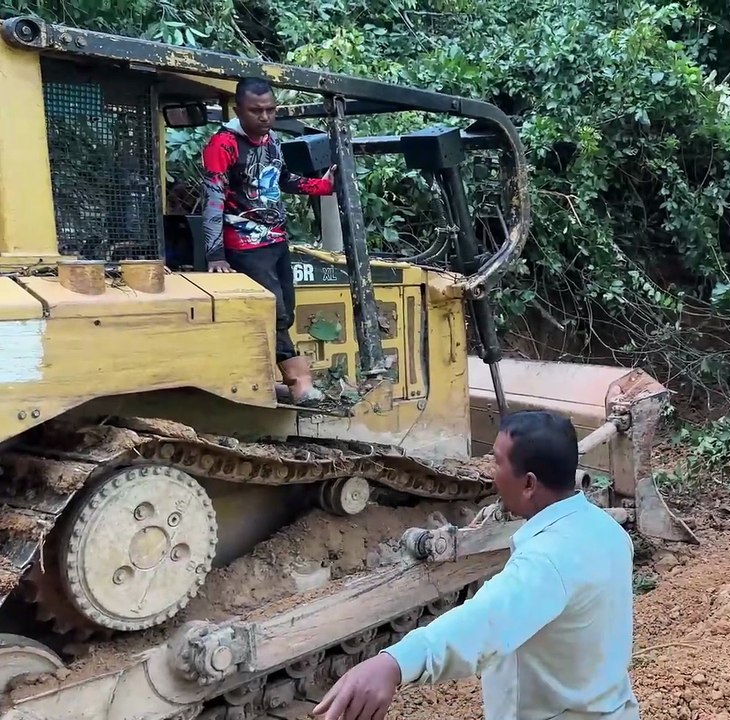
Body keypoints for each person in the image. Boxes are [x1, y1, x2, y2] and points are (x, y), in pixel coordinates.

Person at [311, 410, 641, 720]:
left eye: (497, 462)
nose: (491, 475)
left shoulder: (547, 559)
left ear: (529, 484)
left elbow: (484, 622)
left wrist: (394, 663)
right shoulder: (606, 529)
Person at [201, 76, 334, 406]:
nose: (264, 117)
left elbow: (281, 180)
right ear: (238, 110)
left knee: (286, 307)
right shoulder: (223, 145)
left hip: (275, 238)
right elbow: (213, 199)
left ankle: (280, 379)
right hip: (244, 243)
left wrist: (322, 186)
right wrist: (215, 253)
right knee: (272, 310)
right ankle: (298, 382)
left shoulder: (271, 140)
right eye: (256, 110)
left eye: (270, 110)